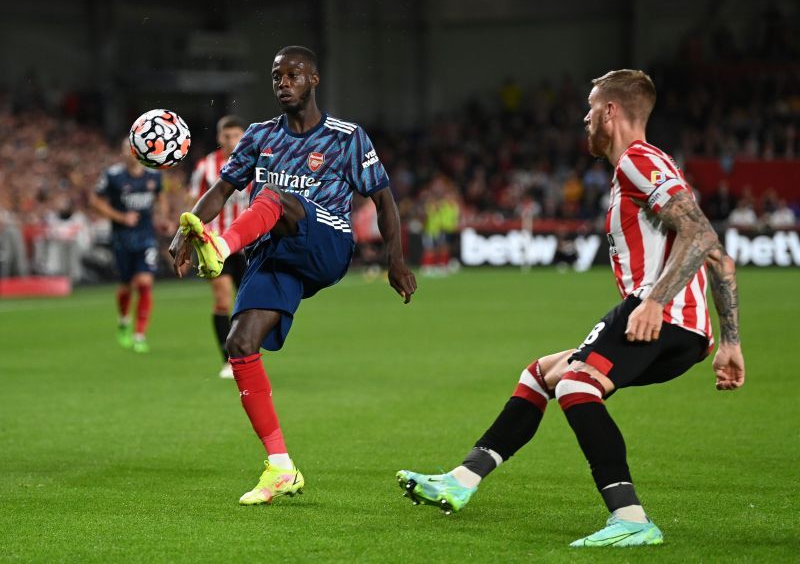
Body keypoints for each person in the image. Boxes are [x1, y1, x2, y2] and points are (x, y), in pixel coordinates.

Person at [397, 70, 745, 547]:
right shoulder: (652, 166)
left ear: (610, 112)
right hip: (681, 328)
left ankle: (631, 520)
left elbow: (703, 234)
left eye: (589, 108)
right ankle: (463, 478)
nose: (584, 119)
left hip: (658, 314)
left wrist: (655, 302)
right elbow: (720, 259)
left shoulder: (637, 161)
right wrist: (730, 341)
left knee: (578, 383)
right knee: (543, 373)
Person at [169, 46, 417, 505]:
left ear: (314, 80)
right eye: (276, 76)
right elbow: (222, 188)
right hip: (275, 252)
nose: (283, 82)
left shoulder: (347, 137)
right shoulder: (260, 135)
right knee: (240, 343)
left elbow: (383, 200)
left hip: (327, 242)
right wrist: (188, 230)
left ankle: (221, 249)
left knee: (274, 196)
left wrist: (394, 260)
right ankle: (281, 467)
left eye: (293, 74)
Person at [188, 115, 250, 379]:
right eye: (227, 136)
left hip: (249, 242)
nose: (232, 141)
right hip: (216, 242)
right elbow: (194, 202)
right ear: (219, 138)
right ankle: (229, 359)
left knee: (249, 302)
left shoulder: (255, 163)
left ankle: (247, 353)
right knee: (223, 298)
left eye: (237, 135)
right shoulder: (206, 166)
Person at [90, 138, 166, 353]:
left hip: (146, 237)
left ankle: (139, 334)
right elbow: (95, 201)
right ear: (123, 153)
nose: (132, 153)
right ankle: (124, 320)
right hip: (122, 239)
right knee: (125, 285)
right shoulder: (112, 176)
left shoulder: (154, 174)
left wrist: (163, 217)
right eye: (128, 149)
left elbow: (161, 197)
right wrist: (121, 217)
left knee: (144, 282)